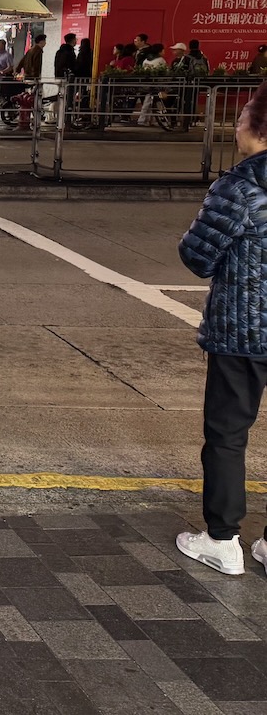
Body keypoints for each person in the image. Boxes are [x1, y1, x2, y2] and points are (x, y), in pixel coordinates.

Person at [176, 84, 267, 576]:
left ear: (258, 129)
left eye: (242, 120)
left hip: (243, 333)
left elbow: (196, 256)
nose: (236, 129)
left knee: (229, 434)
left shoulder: (239, 187)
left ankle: (222, 539)